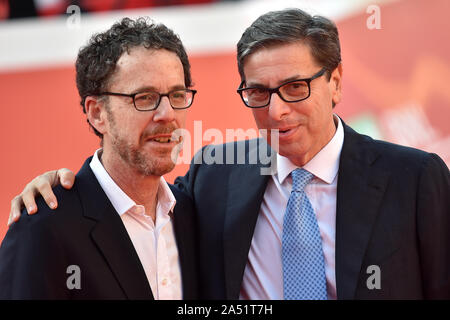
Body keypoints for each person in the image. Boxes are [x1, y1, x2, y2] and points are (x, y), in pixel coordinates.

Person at [8, 9, 450, 300]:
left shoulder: (414, 180)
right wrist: (54, 188)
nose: (277, 109)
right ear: (96, 111)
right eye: (258, 92)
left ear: (335, 81)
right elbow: (114, 192)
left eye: (296, 87)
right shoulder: (215, 180)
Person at [0, 17, 198, 299]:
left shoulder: (195, 216)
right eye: (144, 97)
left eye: (177, 95)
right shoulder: (43, 228)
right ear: (97, 113)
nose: (167, 114)